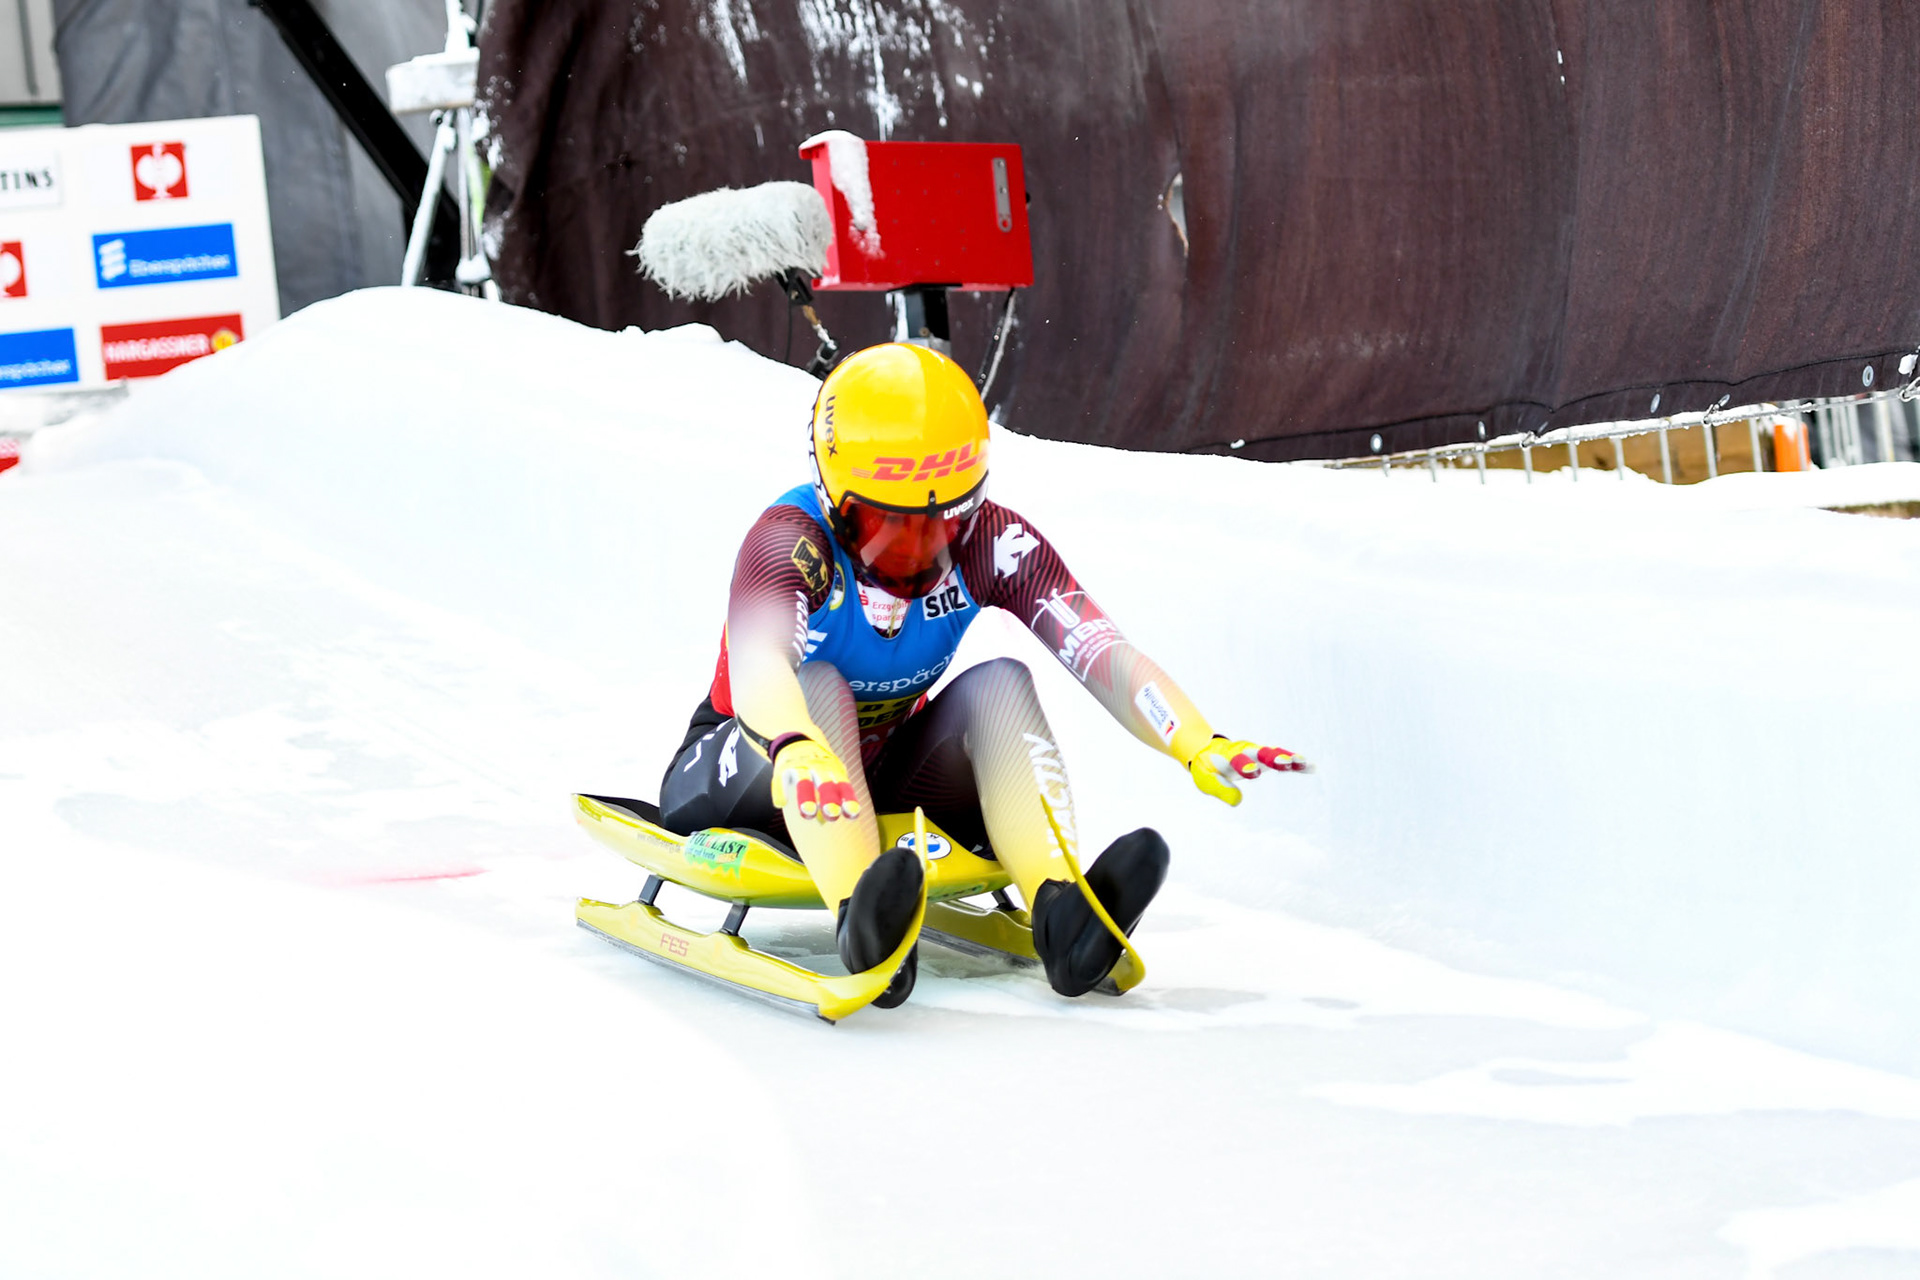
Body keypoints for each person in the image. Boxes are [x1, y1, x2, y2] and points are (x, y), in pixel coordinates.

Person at [660, 343, 1308, 1007]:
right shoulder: (787, 542)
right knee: (820, 682)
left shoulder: (995, 544)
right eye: (882, 527)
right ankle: (864, 917)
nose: (909, 558)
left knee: (1000, 681)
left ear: (971, 507)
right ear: (832, 497)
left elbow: (1099, 650)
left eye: (936, 531)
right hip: (746, 766)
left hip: (870, 775)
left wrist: (1193, 739)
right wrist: (795, 745)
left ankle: (1061, 911)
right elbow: (760, 663)